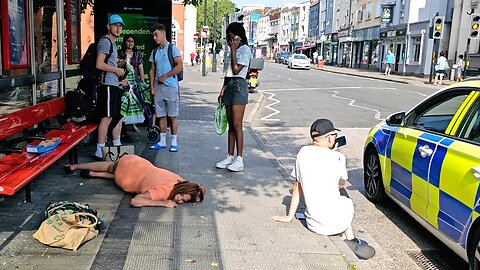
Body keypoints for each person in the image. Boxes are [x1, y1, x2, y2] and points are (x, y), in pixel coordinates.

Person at [271, 119, 375, 259]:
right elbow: (342, 183)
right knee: (345, 198)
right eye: (334, 135)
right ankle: (349, 237)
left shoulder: (302, 153)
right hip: (336, 224)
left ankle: (347, 237)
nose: (335, 138)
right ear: (328, 138)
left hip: (314, 224)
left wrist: (289, 217)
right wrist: (335, 154)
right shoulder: (338, 157)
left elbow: (297, 186)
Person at [63, 155, 206, 208]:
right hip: (126, 179)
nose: (179, 199)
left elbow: (199, 188)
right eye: (181, 196)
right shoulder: (164, 192)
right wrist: (163, 203)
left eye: (183, 201)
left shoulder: (179, 180)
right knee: (111, 168)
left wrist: (197, 195)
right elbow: (136, 201)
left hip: (137, 163)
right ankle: (77, 166)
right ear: (182, 189)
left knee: (112, 167)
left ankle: (92, 173)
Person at [215, 22, 252, 172]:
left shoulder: (244, 50)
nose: (230, 41)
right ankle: (229, 155)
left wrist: (234, 50)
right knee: (230, 124)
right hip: (230, 86)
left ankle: (239, 158)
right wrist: (222, 89)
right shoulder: (231, 50)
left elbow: (237, 70)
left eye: (231, 37)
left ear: (238, 36)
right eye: (228, 38)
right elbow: (228, 73)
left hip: (239, 87)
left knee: (237, 125)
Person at [94, 14, 126, 160]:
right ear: (109, 26)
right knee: (106, 117)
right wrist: (116, 70)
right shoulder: (106, 41)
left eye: (120, 26)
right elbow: (99, 64)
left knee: (115, 116)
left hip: (113, 84)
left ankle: (116, 146)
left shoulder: (112, 43)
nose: (118, 28)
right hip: (107, 85)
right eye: (115, 25)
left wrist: (119, 66)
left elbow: (109, 64)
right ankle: (99, 150)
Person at [148, 23, 183, 152]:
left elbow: (179, 66)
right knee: (160, 115)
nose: (154, 38)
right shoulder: (155, 52)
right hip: (158, 88)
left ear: (163, 33)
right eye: (153, 35)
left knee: (172, 115)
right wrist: (152, 86)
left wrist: (165, 76)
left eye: (156, 35)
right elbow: (151, 70)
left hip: (171, 87)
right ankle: (162, 141)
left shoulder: (173, 49)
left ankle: (174, 142)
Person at [118, 34, 145, 134]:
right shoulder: (120, 53)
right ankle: (122, 124)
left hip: (135, 82)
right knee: (125, 102)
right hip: (123, 82)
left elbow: (141, 68)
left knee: (135, 102)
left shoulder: (137, 54)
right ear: (125, 42)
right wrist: (125, 60)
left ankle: (134, 124)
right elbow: (117, 65)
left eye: (132, 41)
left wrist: (141, 81)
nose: (130, 43)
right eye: (128, 41)